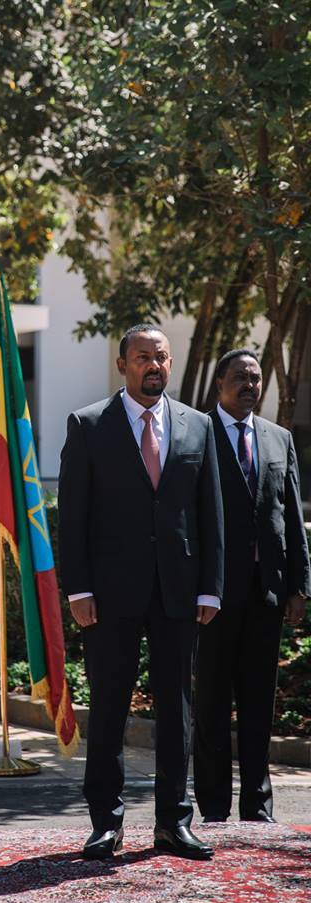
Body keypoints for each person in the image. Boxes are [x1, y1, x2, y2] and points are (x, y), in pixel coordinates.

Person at [58, 324, 224, 861]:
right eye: (143, 357)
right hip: (109, 592)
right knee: (109, 706)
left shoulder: (198, 426)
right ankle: (106, 823)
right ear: (122, 364)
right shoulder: (88, 425)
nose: (154, 365)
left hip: (179, 589)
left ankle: (174, 822)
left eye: (162, 357)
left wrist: (211, 589)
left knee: (177, 709)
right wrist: (78, 588)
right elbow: (73, 517)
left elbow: (210, 513)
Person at [194, 349, 310, 823]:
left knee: (259, 703)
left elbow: (291, 516)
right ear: (219, 382)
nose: (250, 385)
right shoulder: (195, 434)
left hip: (267, 593)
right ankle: (213, 807)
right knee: (212, 704)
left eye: (256, 378)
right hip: (213, 596)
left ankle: (258, 806)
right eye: (240, 377)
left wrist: (299, 586)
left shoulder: (279, 438)